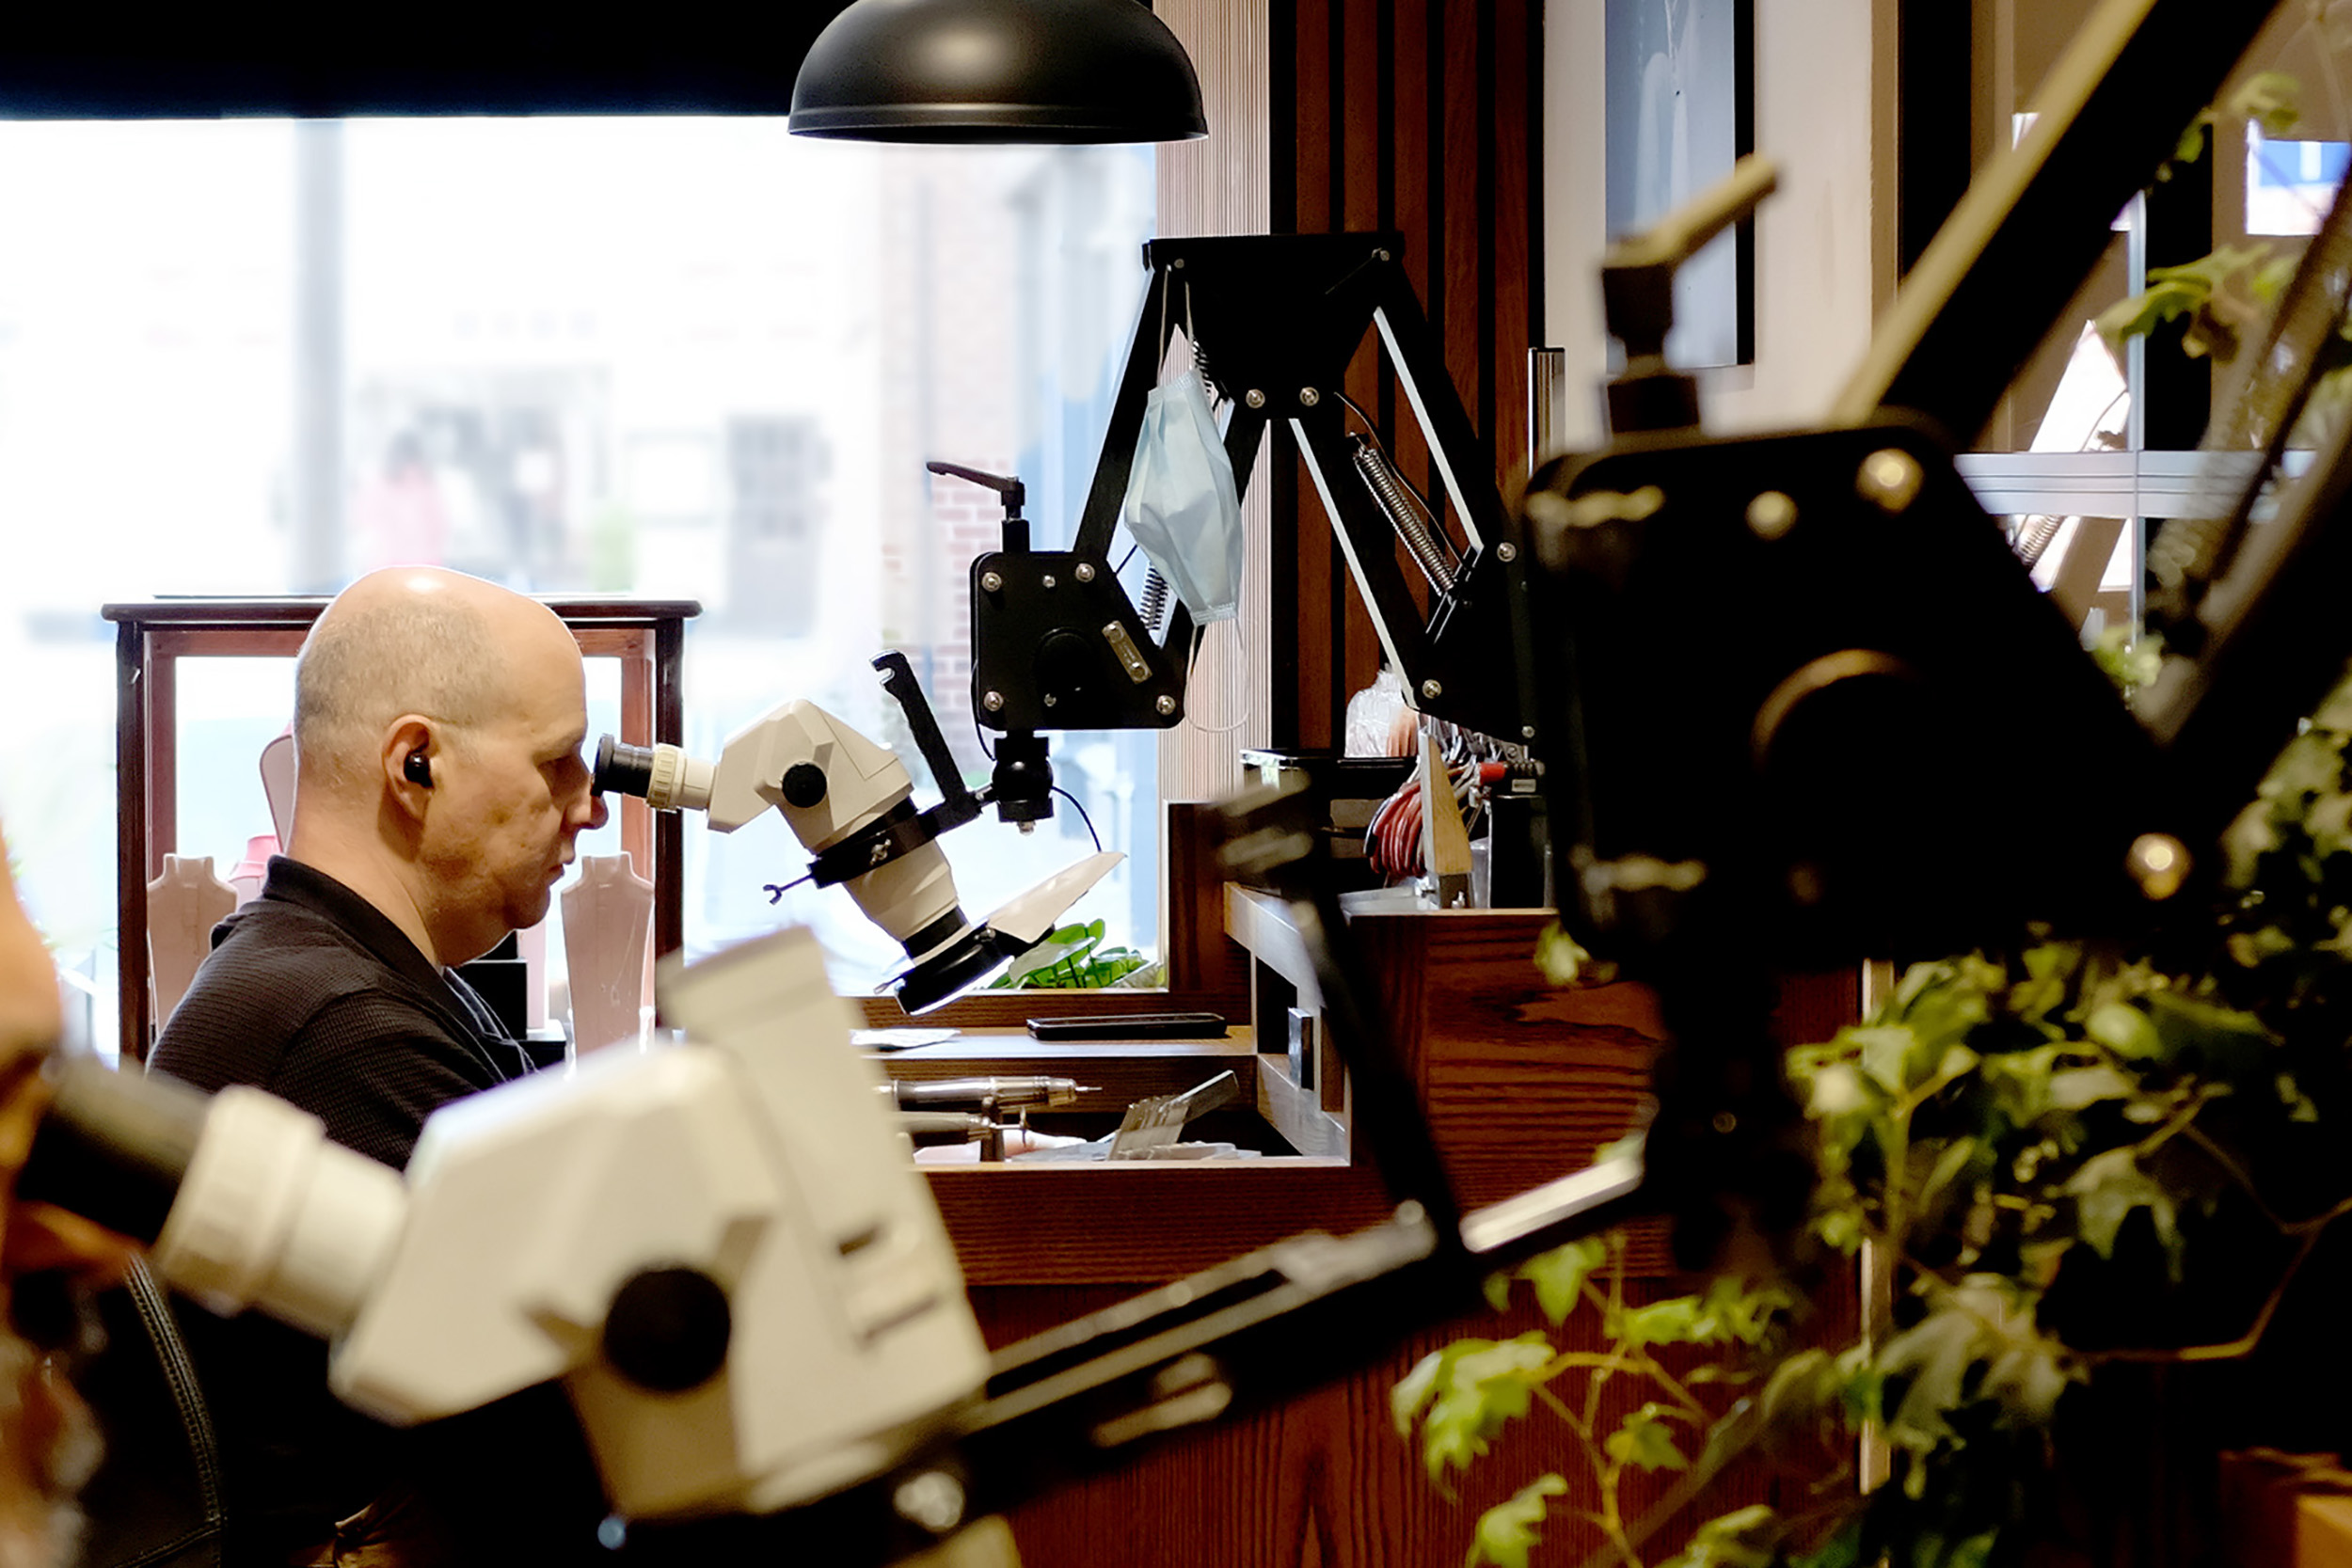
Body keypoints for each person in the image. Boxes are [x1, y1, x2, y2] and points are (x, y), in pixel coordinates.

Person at [147, 566, 612, 1566]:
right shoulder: (345, 1031)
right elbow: (561, 1443)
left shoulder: (328, 975)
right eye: (559, 762)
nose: (591, 807)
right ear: (417, 765)